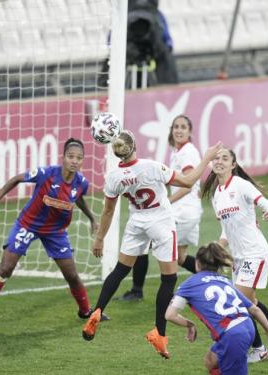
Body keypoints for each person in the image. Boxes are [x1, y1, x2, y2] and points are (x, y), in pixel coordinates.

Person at [81, 130, 221, 359]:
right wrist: (206, 158)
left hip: (137, 221)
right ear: (134, 145)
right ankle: (159, 334)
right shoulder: (152, 166)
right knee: (169, 279)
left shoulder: (114, 177)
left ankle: (97, 311)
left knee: (120, 269)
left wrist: (99, 238)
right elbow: (187, 181)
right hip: (161, 220)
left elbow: (107, 211)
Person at [0, 138, 103, 330]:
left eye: (79, 158)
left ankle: (85, 311)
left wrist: (91, 218)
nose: (75, 161)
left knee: (72, 275)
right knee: (6, 268)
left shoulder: (81, 183)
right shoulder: (46, 174)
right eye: (71, 156)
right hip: (28, 225)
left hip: (55, 232)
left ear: (83, 161)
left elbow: (78, 198)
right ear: (63, 157)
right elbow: (16, 179)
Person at [200, 148, 268, 363]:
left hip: (255, 253)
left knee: (238, 303)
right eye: (217, 158)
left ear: (233, 165)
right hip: (237, 258)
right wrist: (216, 246)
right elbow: (226, 230)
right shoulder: (216, 195)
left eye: (225, 158)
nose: (219, 161)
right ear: (212, 164)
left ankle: (259, 349)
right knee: (250, 302)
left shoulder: (241, 185)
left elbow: (266, 204)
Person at [165, 242, 268, 375]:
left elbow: (170, 315)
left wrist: (190, 325)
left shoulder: (189, 284)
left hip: (232, 335)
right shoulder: (224, 280)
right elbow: (254, 309)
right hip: (247, 326)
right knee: (211, 360)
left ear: (197, 263)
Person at [120, 115, 203, 301]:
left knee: (144, 239)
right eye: (176, 127)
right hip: (190, 210)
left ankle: (137, 290)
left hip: (183, 210)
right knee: (181, 257)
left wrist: (167, 200)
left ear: (190, 131)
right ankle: (216, 277)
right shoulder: (178, 151)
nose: (179, 130)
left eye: (183, 127)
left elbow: (188, 183)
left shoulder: (187, 152)